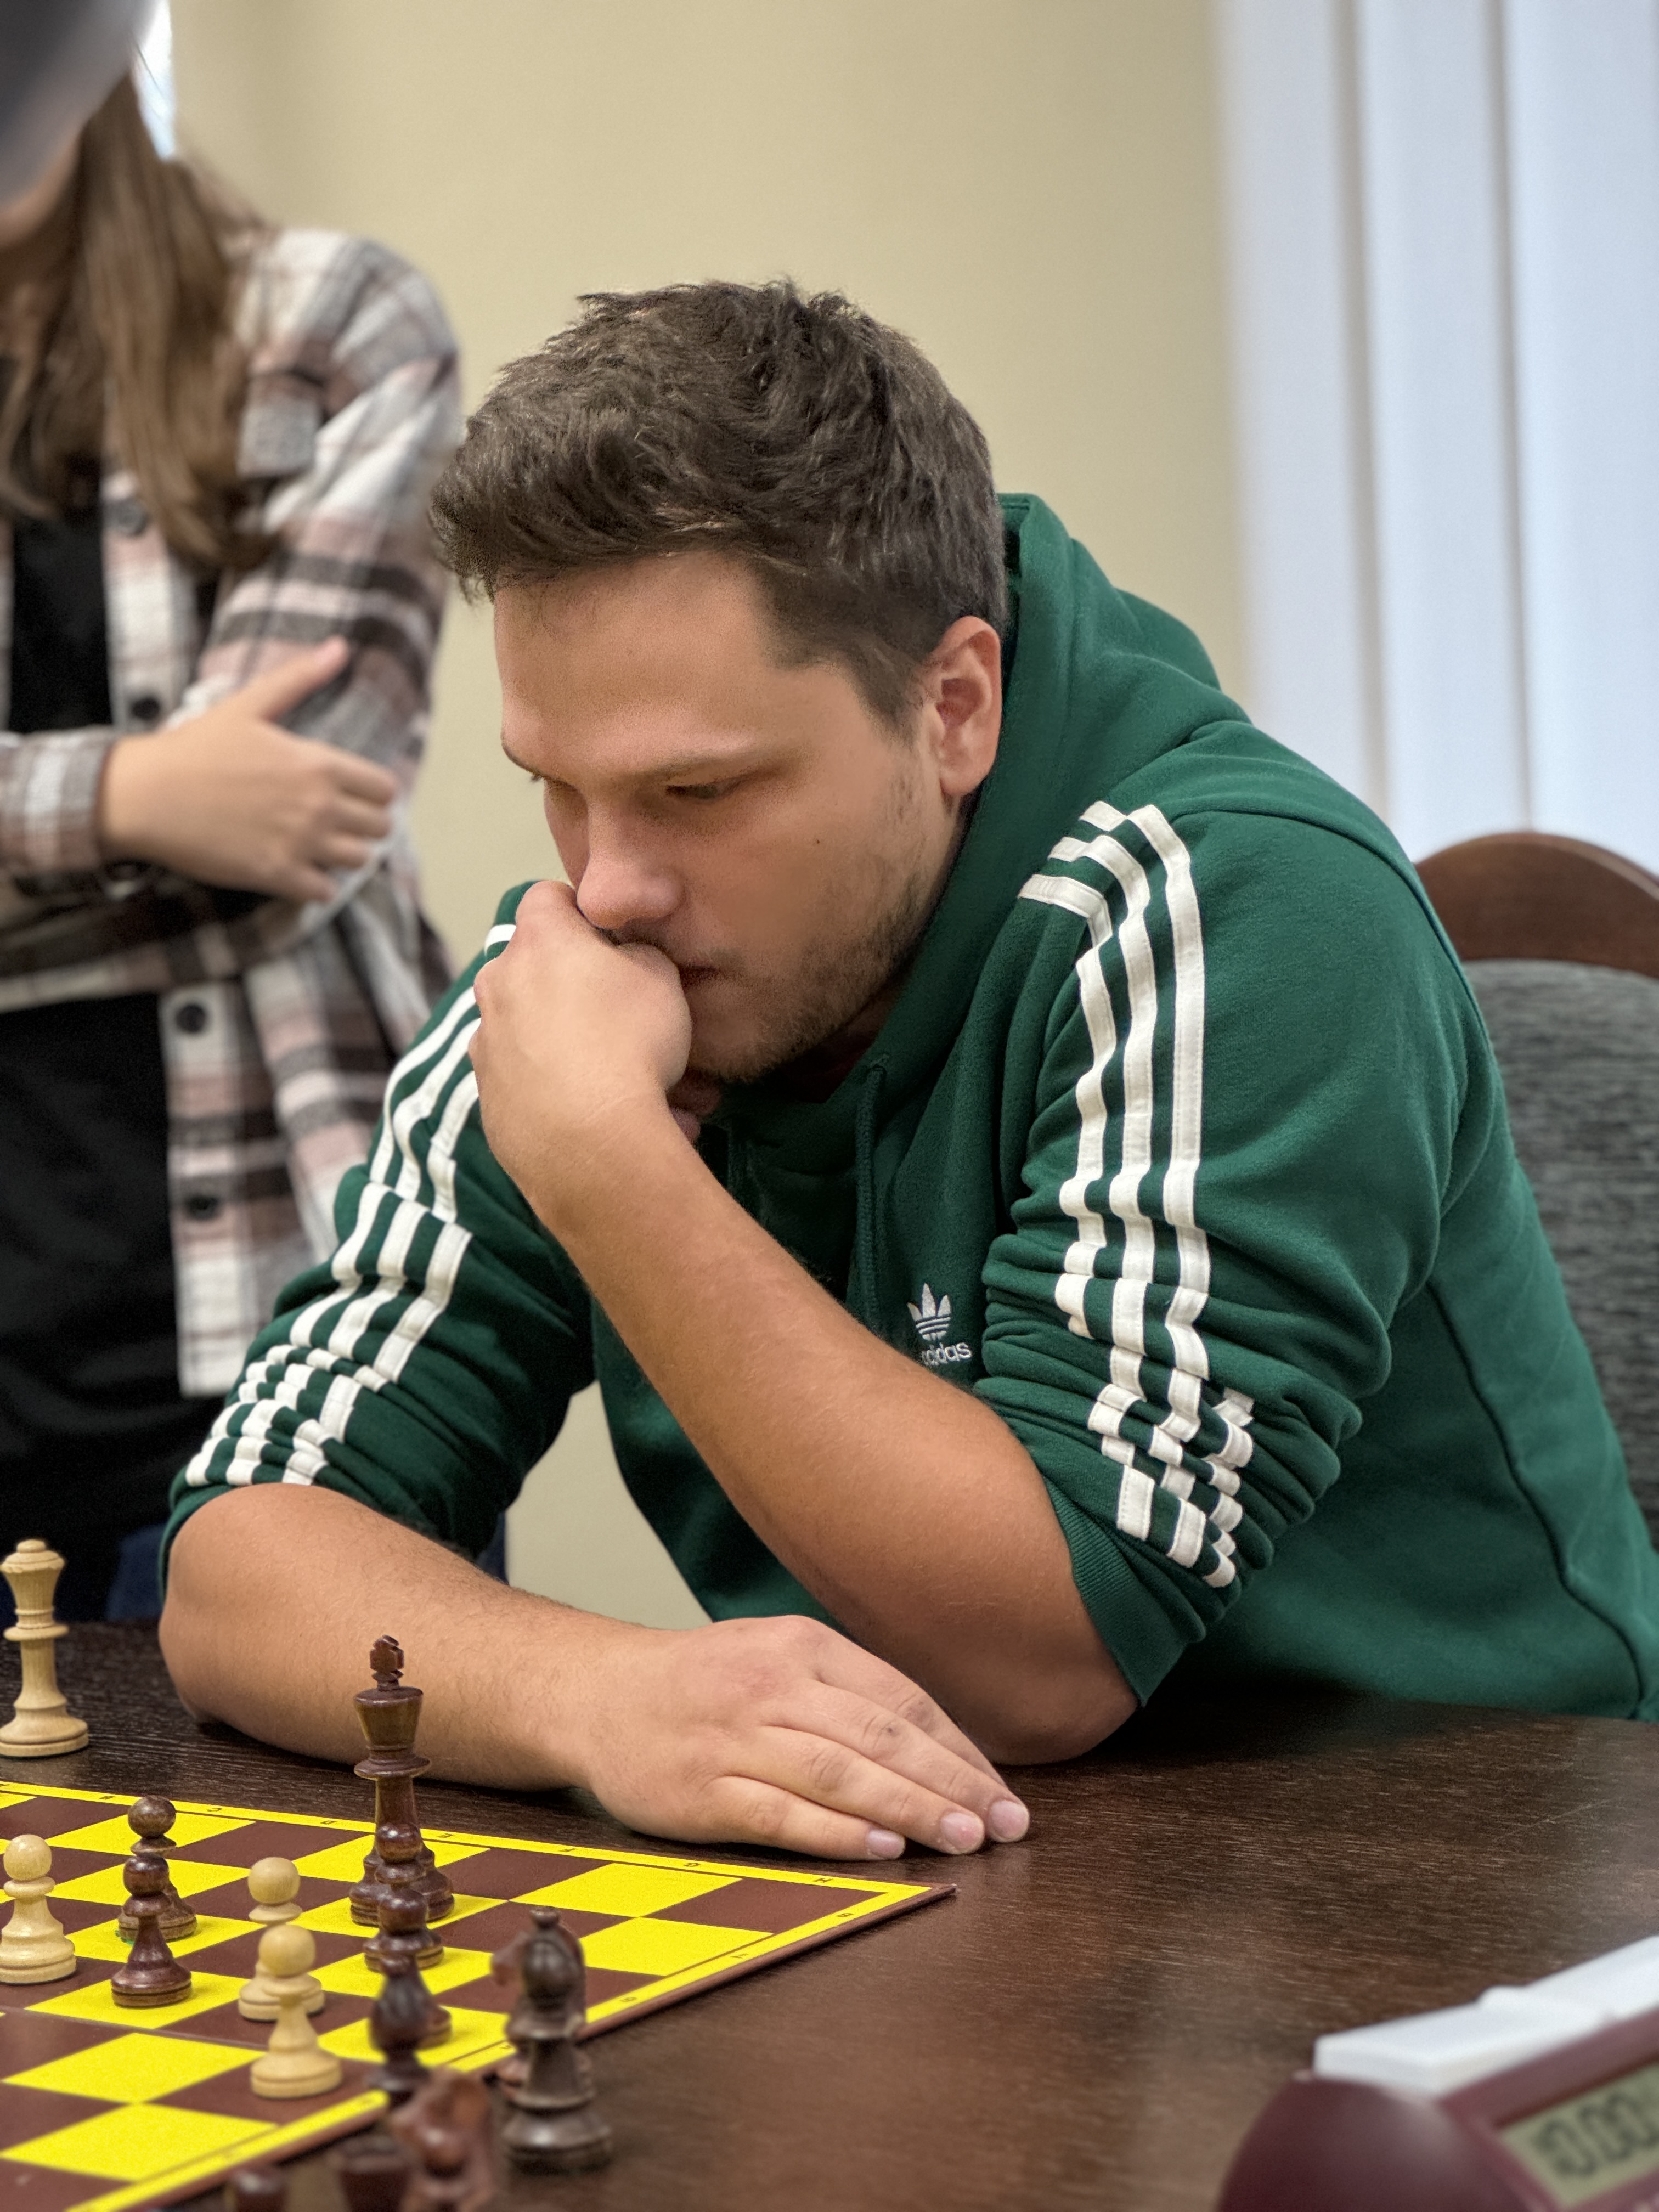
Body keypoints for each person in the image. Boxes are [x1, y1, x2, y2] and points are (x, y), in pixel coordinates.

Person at [160, 283, 1659, 1863]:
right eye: (559, 789)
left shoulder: (1253, 906)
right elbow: (235, 1572)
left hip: (1475, 1872)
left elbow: (1046, 1663)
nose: (608, 886)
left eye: (697, 791)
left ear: (954, 707)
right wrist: (591, 1695)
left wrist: (609, 1169)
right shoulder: (603, 973)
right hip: (964, 1883)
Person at [0, 69, 459, 1616]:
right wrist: (140, 798)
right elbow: (212, 825)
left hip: (291, 1327)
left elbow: (297, 816)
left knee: (351, 1773)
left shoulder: (331, 325)